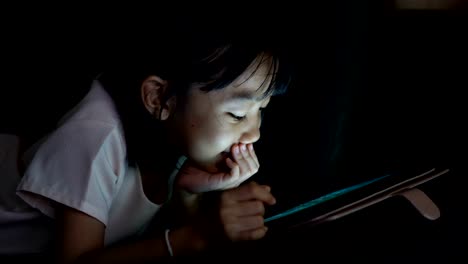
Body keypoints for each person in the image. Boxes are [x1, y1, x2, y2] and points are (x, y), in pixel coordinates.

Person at [0, 16, 293, 262]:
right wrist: (198, 235)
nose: (254, 131)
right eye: (238, 114)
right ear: (158, 97)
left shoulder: (178, 131)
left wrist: (190, 192)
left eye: (261, 111)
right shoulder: (94, 135)